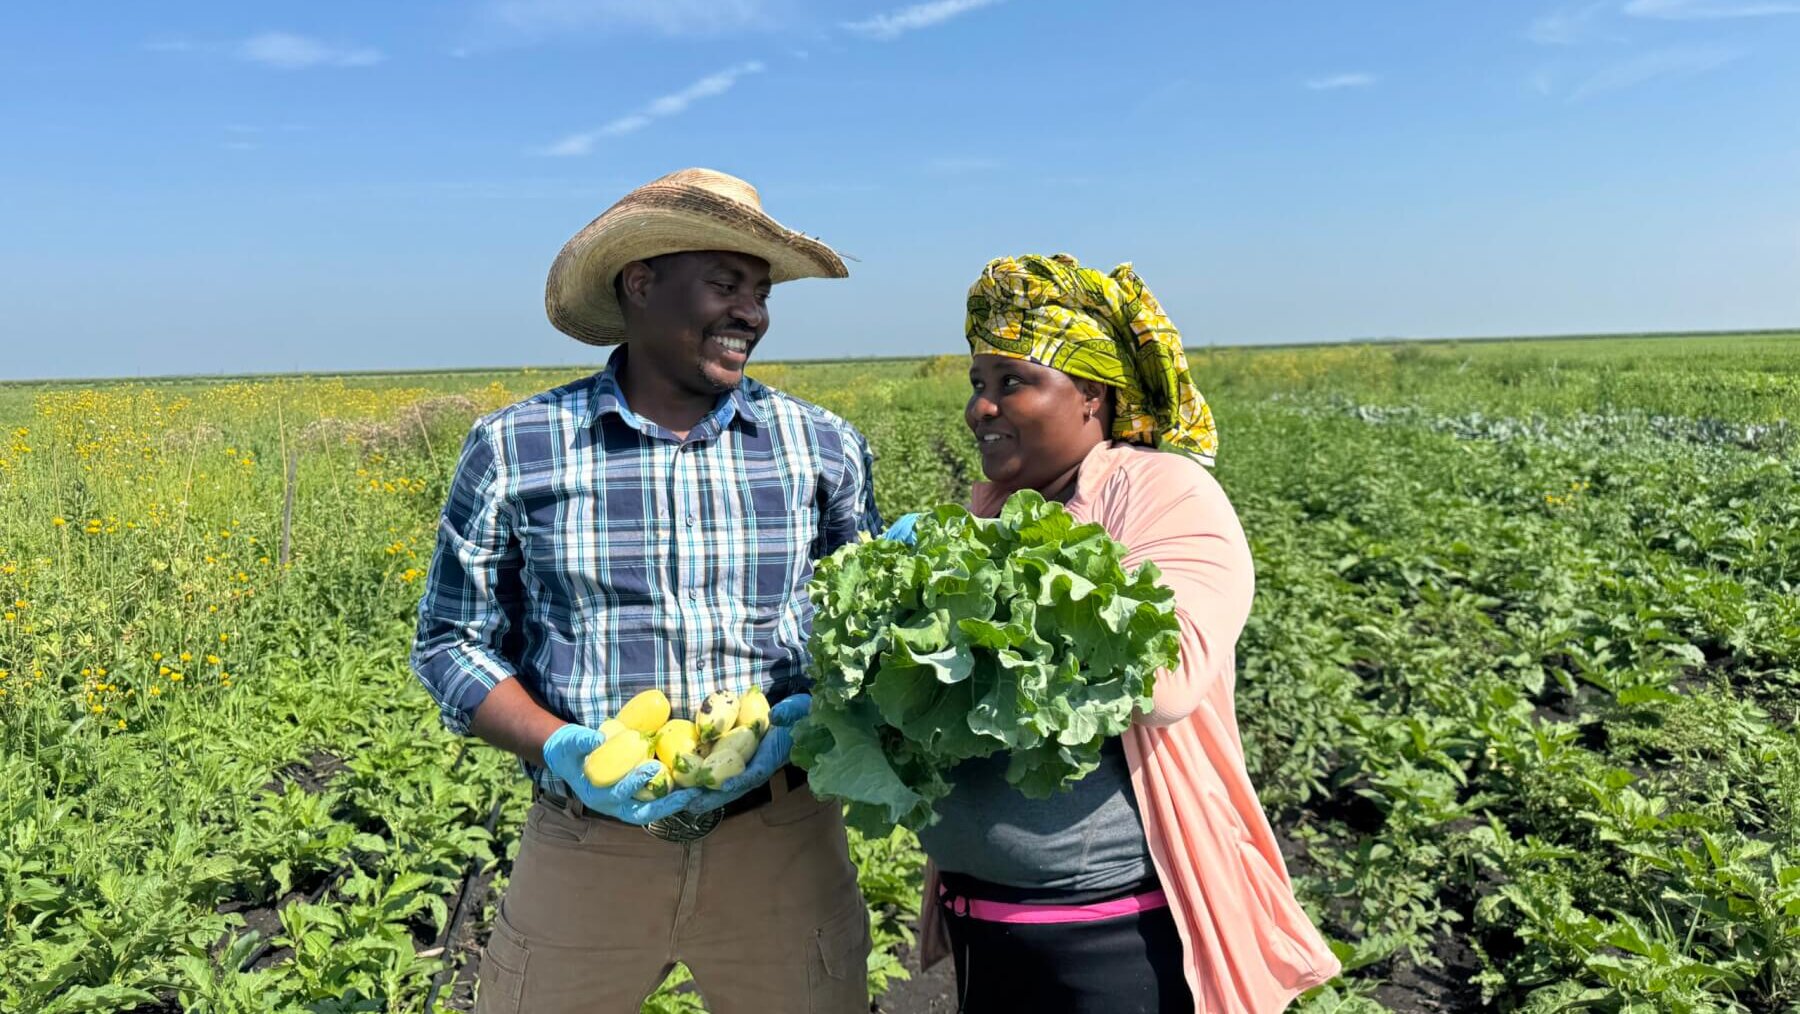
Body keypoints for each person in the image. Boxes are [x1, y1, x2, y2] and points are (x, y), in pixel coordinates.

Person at [411, 168, 879, 1014]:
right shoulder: (518, 447)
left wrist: (822, 710)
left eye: (762, 292)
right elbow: (450, 641)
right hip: (587, 849)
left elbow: (868, 626)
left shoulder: (820, 448)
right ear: (640, 282)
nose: (752, 313)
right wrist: (561, 748)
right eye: (726, 284)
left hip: (781, 841)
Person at [899, 254, 1340, 1013]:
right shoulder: (999, 510)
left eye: (1012, 382)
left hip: (1116, 938)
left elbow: (1162, 677)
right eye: (977, 385)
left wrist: (973, 599)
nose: (981, 408)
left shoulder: (1165, 493)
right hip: (987, 924)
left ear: (1092, 394)